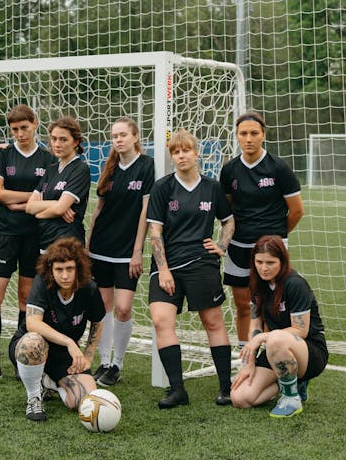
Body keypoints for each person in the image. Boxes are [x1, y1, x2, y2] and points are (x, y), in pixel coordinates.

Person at [0, 105, 56, 384]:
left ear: (35, 124)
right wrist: (31, 198)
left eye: (24, 128)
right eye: (14, 129)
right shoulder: (2, 154)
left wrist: (21, 201)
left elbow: (49, 196)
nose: (20, 133)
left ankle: (21, 361)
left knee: (25, 299)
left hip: (35, 235)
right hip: (5, 235)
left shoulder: (48, 158)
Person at [146, 129, 235, 408]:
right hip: (167, 265)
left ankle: (226, 388)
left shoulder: (212, 187)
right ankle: (177, 390)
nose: (181, 156)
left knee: (213, 322)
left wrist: (222, 245)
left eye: (186, 150)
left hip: (201, 263)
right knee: (161, 321)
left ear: (196, 153)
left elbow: (229, 220)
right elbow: (155, 232)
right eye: (175, 152)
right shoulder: (162, 188)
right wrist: (163, 270)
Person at [220, 111, 304, 349]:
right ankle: (244, 353)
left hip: (270, 249)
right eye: (243, 134)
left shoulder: (279, 168)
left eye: (254, 133)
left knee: (271, 304)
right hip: (239, 245)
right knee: (242, 304)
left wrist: (275, 238)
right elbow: (228, 210)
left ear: (263, 135)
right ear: (237, 136)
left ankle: (268, 353)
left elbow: (297, 211)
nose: (249, 139)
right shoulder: (229, 170)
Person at [86, 117, 155, 386]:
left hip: (127, 252)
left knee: (123, 309)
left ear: (135, 136)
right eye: (115, 136)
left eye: (123, 135)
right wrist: (87, 246)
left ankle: (118, 364)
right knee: (103, 307)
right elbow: (98, 211)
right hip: (100, 248)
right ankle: (104, 362)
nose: (118, 140)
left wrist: (138, 251)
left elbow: (145, 212)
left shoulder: (147, 166)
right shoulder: (110, 168)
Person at [230, 235, 327, 417]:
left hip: (309, 351)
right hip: (276, 349)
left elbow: (301, 330)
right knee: (240, 398)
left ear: (282, 261)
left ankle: (291, 398)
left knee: (275, 338)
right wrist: (249, 363)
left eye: (270, 263)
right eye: (259, 262)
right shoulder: (257, 284)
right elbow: (255, 325)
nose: (264, 268)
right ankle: (294, 382)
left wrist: (263, 337)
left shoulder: (295, 283)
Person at [9, 237, 105, 421]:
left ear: (78, 268)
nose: (65, 275)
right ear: (51, 270)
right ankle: (34, 398)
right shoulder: (42, 282)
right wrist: (70, 342)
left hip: (62, 354)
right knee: (33, 341)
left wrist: (88, 356)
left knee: (83, 400)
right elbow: (32, 323)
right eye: (59, 270)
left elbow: (98, 322)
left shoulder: (89, 288)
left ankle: (49, 382)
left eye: (69, 269)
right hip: (31, 349)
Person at [25, 116, 91, 250]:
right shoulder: (51, 169)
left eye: (63, 139)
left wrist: (40, 214)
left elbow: (59, 209)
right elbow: (29, 207)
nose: (57, 144)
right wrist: (56, 203)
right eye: (54, 139)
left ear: (76, 142)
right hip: (45, 240)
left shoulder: (80, 169)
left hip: (68, 242)